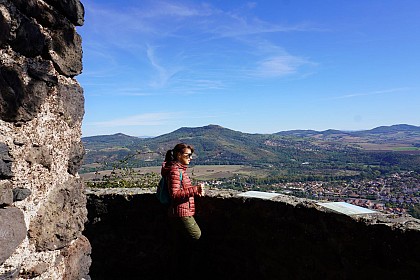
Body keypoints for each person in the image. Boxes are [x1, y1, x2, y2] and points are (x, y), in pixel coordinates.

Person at [160, 143, 205, 277]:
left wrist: (194, 192)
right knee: (198, 239)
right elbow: (175, 194)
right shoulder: (175, 171)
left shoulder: (179, 169)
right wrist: (195, 189)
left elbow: (182, 191)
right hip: (181, 213)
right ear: (179, 155)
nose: (190, 158)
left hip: (181, 212)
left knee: (181, 247)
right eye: (188, 155)